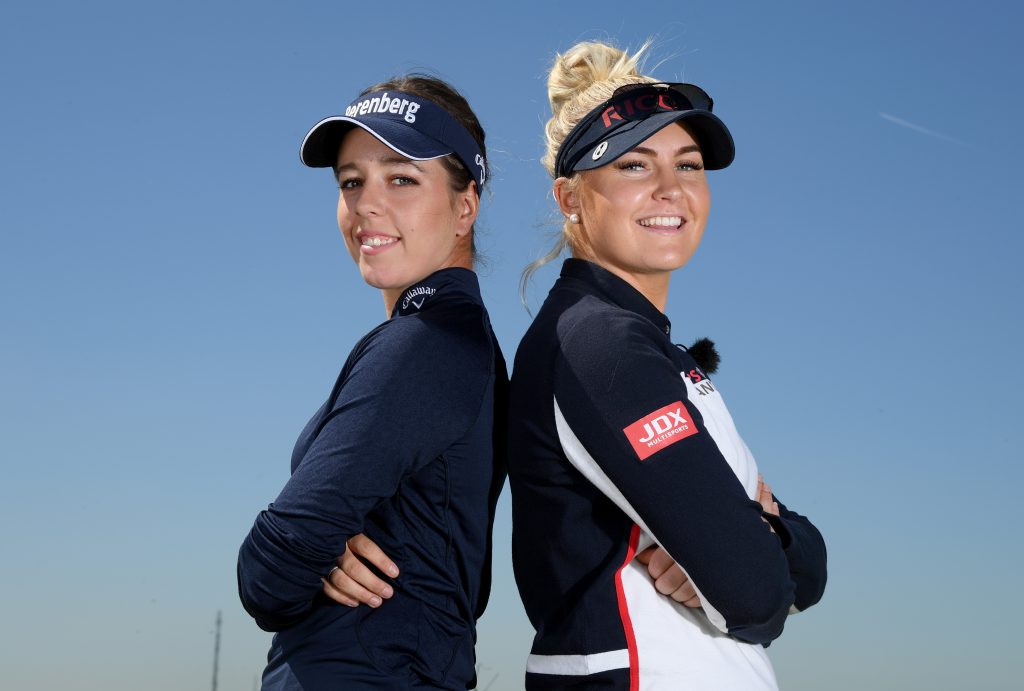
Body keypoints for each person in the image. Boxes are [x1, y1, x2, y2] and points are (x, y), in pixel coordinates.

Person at [507, 41, 827, 690]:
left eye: (689, 164)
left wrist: (766, 533)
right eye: (633, 165)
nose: (671, 189)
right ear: (570, 198)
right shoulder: (597, 343)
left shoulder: (655, 353)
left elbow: (804, 563)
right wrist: (753, 547)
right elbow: (753, 589)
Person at [237, 75, 507, 691]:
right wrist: (320, 545)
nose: (366, 204)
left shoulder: (428, 345)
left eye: (402, 178)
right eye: (351, 182)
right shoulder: (455, 341)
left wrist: (302, 546)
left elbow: (269, 576)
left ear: (465, 207)